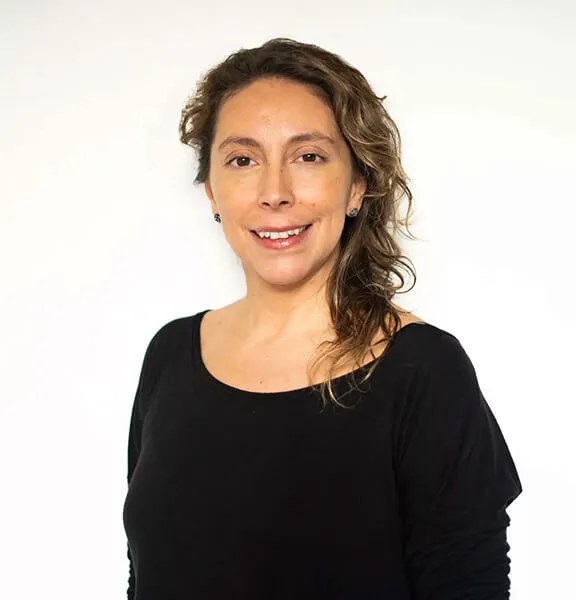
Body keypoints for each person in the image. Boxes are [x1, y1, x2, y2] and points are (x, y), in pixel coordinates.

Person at [122, 37, 523, 599]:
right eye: (242, 160)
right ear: (212, 191)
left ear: (357, 185)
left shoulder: (423, 371)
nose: (275, 192)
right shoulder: (170, 354)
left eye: (308, 156)